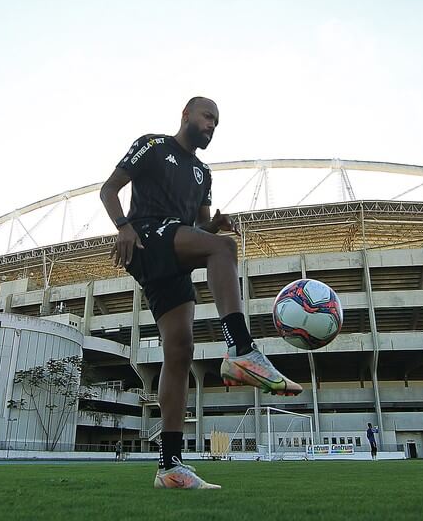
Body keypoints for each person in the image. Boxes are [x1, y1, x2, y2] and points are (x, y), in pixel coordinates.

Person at [100, 97, 302, 490]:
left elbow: (201, 227)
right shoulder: (154, 146)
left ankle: (170, 466)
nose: (211, 125)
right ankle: (241, 349)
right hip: (146, 238)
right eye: (207, 116)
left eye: (217, 122)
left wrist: (216, 224)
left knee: (179, 352)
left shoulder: (203, 173)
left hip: (174, 255)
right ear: (186, 115)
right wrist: (123, 226)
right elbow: (109, 190)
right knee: (225, 248)